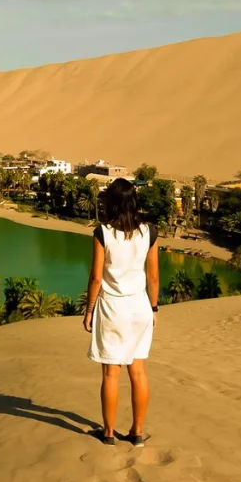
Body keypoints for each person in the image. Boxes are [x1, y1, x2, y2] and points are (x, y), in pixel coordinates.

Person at [82, 178, 159, 447]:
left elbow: (95, 278)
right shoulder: (149, 232)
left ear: (111, 204)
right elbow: (154, 278)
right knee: (138, 372)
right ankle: (137, 433)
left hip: (112, 307)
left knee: (110, 374)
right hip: (139, 308)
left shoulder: (103, 233)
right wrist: (154, 307)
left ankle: (109, 433)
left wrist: (89, 310)